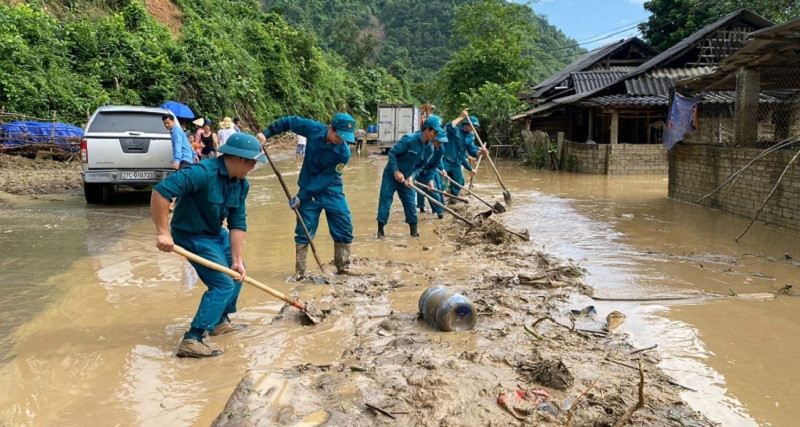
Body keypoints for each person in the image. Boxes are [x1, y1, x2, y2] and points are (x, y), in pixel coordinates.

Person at [150, 133, 266, 358]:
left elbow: (237, 223)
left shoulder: (241, 184)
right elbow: (161, 192)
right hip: (191, 235)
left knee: (237, 273)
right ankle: (193, 339)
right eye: (252, 162)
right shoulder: (201, 173)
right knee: (222, 284)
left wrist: (237, 260)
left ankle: (220, 322)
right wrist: (163, 232)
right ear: (239, 159)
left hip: (215, 233)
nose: (253, 167)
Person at [257, 113, 355, 279]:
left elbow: (325, 178)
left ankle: (342, 267)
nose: (341, 141)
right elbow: (289, 121)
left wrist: (301, 196)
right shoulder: (313, 129)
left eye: (345, 138)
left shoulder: (343, 153)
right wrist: (266, 134)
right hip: (308, 186)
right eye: (339, 136)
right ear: (330, 128)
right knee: (304, 229)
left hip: (331, 189)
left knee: (344, 224)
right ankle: (300, 272)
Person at [376, 115, 443, 238]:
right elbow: (392, 153)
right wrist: (396, 171)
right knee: (385, 200)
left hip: (406, 179)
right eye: (435, 132)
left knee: (410, 204)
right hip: (391, 175)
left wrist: (412, 177)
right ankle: (380, 232)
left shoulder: (430, 149)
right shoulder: (410, 140)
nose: (436, 135)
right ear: (427, 129)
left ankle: (414, 233)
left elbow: (420, 166)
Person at [443, 110, 489, 198]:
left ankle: (453, 198)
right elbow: (448, 126)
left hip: (457, 162)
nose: (474, 129)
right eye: (473, 126)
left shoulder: (470, 135)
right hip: (446, 160)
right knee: (441, 181)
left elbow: (471, 150)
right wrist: (461, 117)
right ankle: (440, 197)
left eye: (475, 127)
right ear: (466, 124)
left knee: (459, 182)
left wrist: (481, 152)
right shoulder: (456, 129)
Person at [416, 130, 448, 219]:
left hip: (428, 172)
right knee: (419, 190)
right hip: (416, 171)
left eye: (442, 142)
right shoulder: (423, 146)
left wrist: (430, 179)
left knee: (433, 191)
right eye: (438, 142)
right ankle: (421, 208)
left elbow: (435, 165)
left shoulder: (440, 149)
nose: (440, 144)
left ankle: (439, 213)